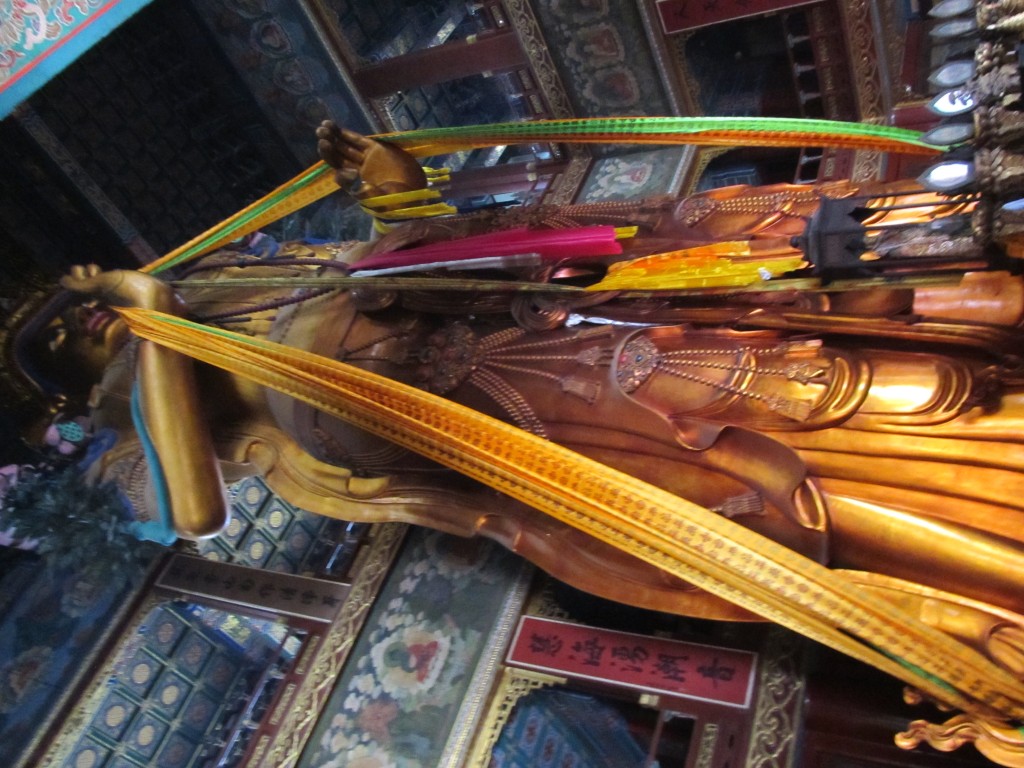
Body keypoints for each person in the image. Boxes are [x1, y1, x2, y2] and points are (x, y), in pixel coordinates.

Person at [23, 122, 1024, 641]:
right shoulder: (179, 418)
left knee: (796, 290)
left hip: (576, 306)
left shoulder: (257, 288)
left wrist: (391, 183)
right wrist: (151, 317)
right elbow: (197, 512)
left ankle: (969, 286)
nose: (91, 316)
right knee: (801, 410)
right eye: (71, 334)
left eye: (81, 300)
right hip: (556, 415)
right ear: (73, 393)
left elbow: (427, 253)